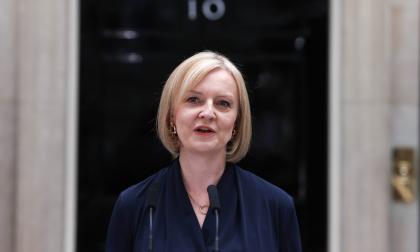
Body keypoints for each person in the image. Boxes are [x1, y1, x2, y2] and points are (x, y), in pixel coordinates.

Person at [105, 51, 302, 252]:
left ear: (236, 122)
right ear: (172, 115)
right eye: (194, 99)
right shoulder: (133, 205)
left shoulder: (276, 207)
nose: (207, 113)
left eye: (223, 103)